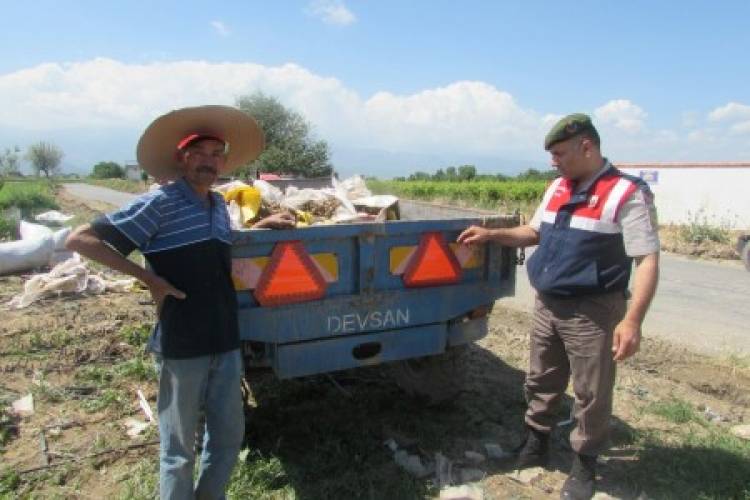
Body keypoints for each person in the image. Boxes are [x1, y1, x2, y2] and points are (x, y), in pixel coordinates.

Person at [66, 105, 295, 499]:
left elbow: (220, 246)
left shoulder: (219, 206)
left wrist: (262, 226)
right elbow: (80, 239)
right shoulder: (161, 202)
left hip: (224, 338)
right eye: (198, 154)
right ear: (181, 159)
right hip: (182, 341)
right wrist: (149, 278)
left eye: (215, 154)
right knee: (178, 449)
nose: (208, 162)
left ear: (224, 161)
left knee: (226, 439)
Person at [458, 114, 659, 500]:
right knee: (541, 378)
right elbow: (533, 232)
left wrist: (632, 321)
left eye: (559, 153)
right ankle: (536, 444)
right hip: (548, 303)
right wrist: (493, 235)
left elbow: (647, 260)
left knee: (591, 392)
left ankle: (584, 467)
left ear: (587, 146)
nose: (554, 161)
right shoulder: (557, 188)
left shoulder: (626, 192)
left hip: (593, 310)